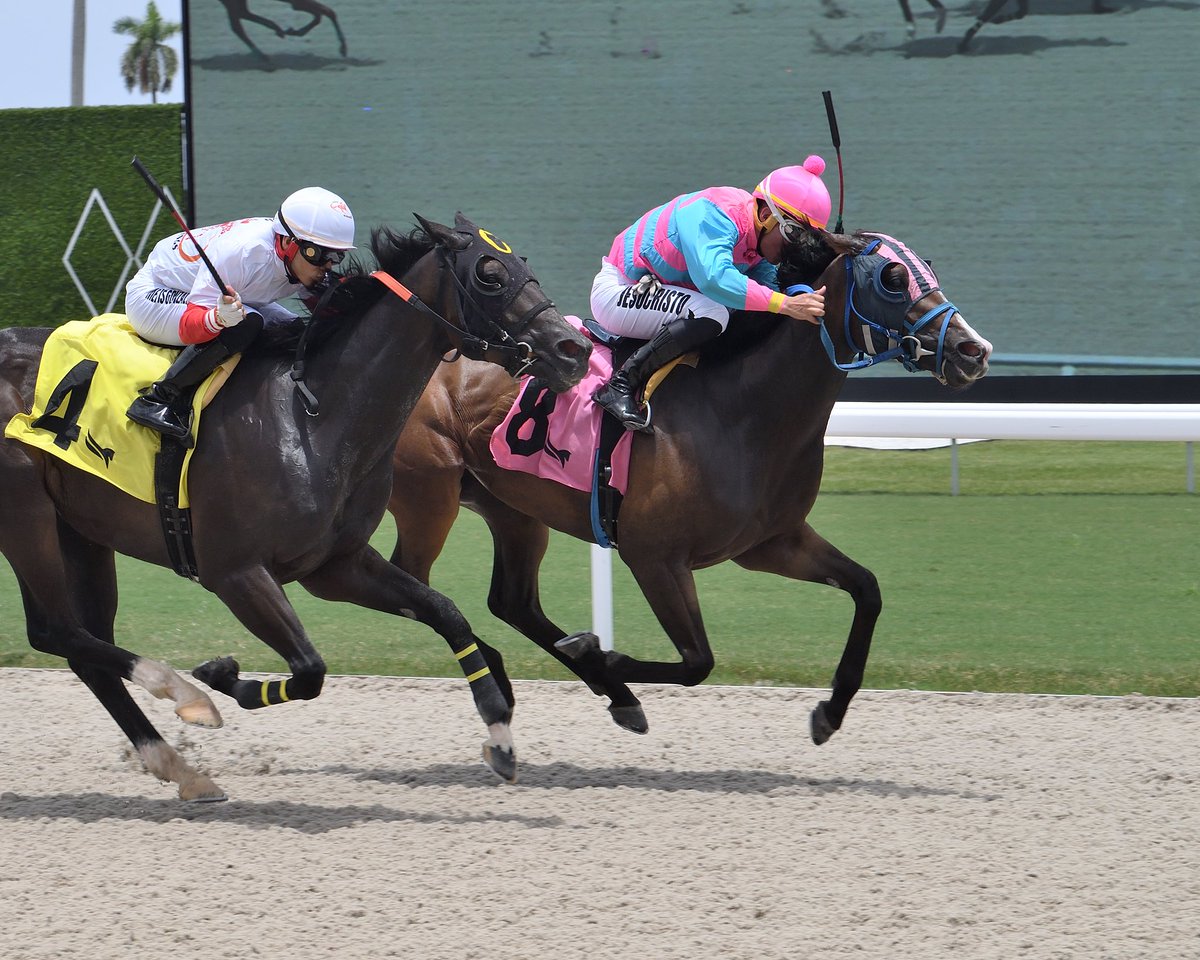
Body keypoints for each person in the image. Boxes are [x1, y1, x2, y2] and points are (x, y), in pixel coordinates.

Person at [590, 155, 831, 431]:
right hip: (620, 291)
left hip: (658, 293)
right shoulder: (714, 214)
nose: (794, 249)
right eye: (793, 235)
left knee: (744, 310)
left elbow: (769, 290)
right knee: (714, 312)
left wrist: (799, 294)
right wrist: (785, 304)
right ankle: (620, 385)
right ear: (766, 216)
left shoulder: (756, 241)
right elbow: (714, 279)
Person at [123, 186, 356, 444]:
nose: (327, 266)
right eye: (319, 254)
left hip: (227, 295)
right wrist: (218, 319)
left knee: (295, 330)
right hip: (156, 292)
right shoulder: (244, 253)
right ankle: (159, 398)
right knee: (248, 324)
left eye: (336, 256)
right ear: (289, 242)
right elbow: (192, 326)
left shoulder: (298, 258)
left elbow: (329, 310)